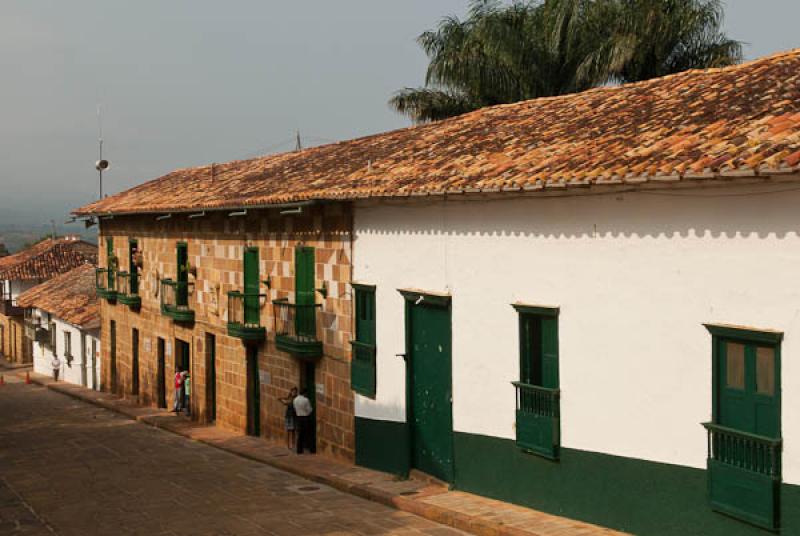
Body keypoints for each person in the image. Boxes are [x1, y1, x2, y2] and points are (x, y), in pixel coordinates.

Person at [293, 388, 315, 454]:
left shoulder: (295, 399)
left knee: (300, 434)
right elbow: (309, 410)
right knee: (309, 434)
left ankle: (299, 450)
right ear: (305, 393)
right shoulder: (306, 400)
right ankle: (311, 449)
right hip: (305, 418)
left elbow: (294, 408)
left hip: (298, 418)